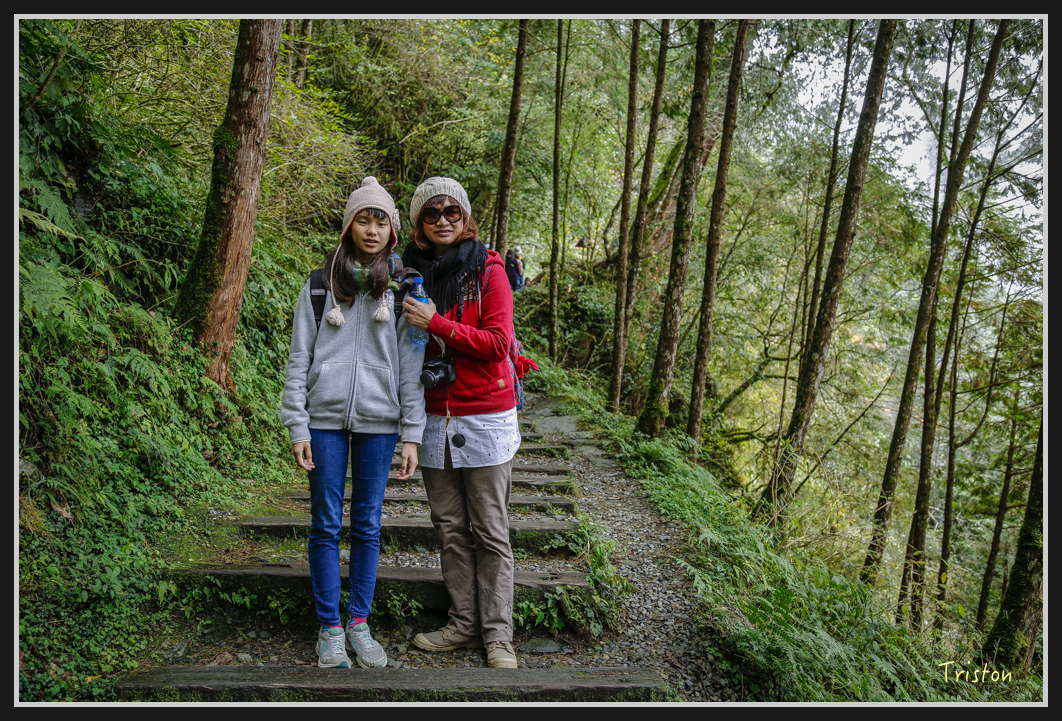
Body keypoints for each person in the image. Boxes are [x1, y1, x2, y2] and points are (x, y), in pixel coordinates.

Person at [282, 177, 425, 669]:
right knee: (324, 524)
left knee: (366, 523)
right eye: (362, 219)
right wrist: (297, 425)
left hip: (381, 423)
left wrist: (412, 432)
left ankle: (359, 624)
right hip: (322, 420)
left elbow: (410, 367)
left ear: (392, 229)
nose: (371, 228)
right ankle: (330, 628)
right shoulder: (322, 284)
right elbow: (299, 358)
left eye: (380, 220)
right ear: (348, 227)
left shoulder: (405, 289)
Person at [400, 177, 521, 669]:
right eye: (432, 213)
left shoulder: (488, 269)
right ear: (419, 224)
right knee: (449, 526)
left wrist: (438, 325)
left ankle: (498, 636)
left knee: (490, 529)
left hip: (487, 415)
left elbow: (497, 343)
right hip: (434, 418)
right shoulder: (409, 275)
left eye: (452, 210)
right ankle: (463, 623)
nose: (444, 219)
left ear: (465, 216)